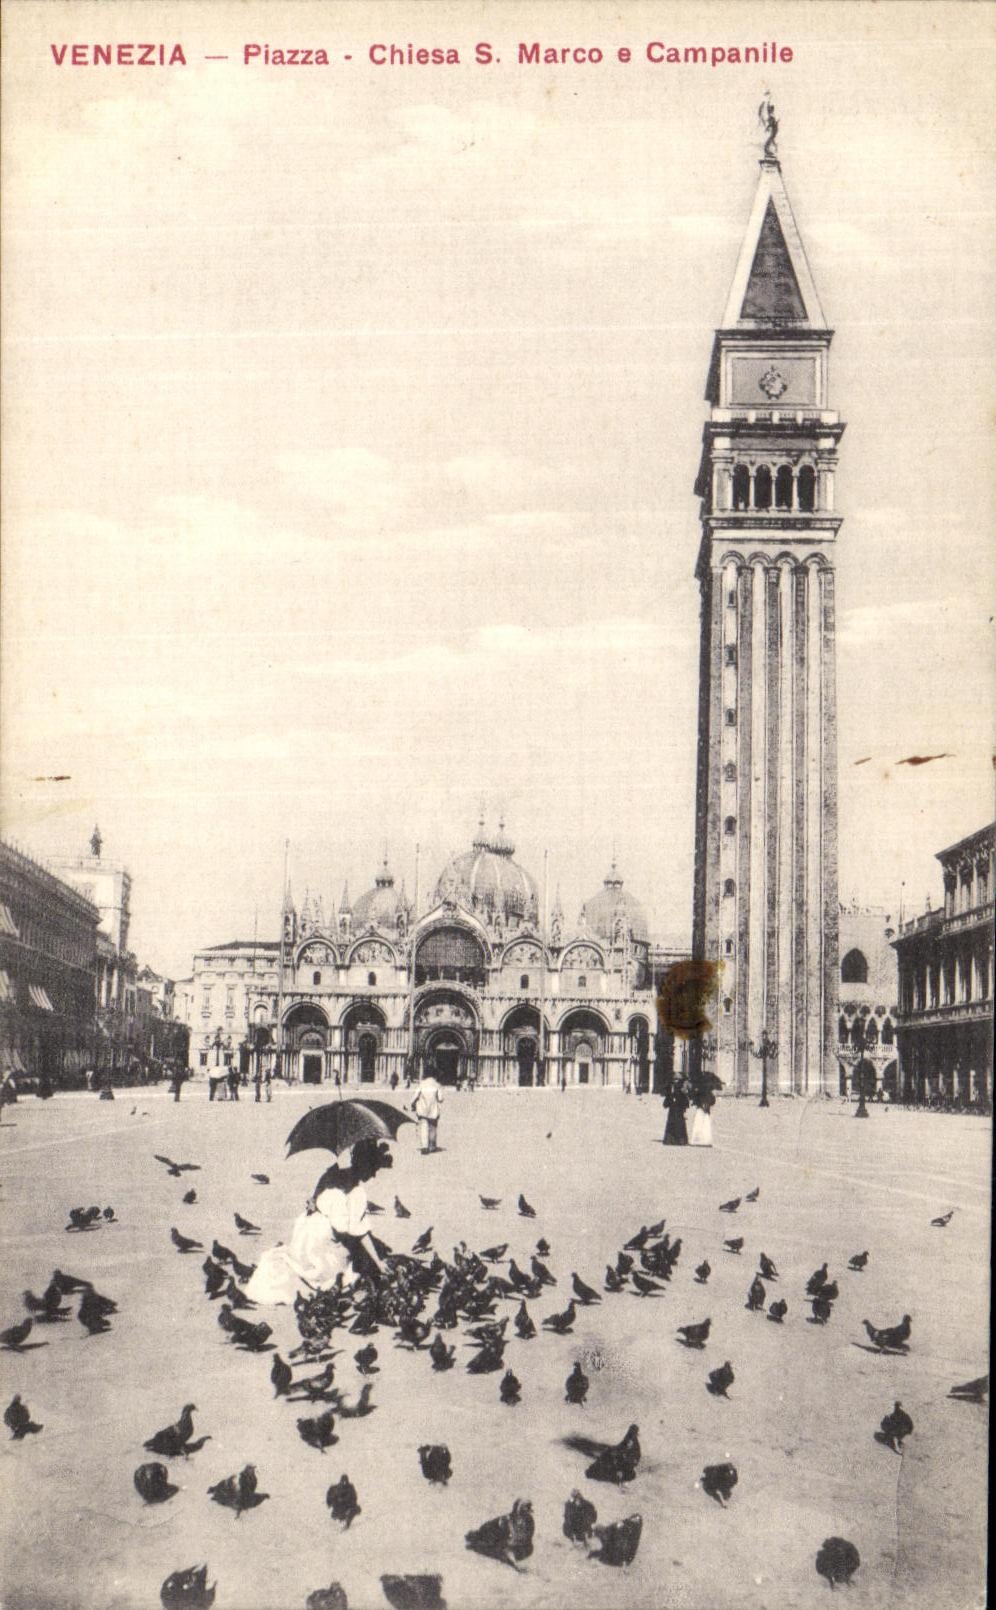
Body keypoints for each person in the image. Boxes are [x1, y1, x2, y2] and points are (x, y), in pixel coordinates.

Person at [245, 1137, 392, 1305]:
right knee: (345, 1269)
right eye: (374, 1169)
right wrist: (379, 1263)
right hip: (320, 1242)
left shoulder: (331, 1173)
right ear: (366, 1165)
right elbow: (360, 1233)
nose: (373, 1174)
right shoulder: (357, 1192)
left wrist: (315, 1204)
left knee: (296, 1263)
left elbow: (313, 1201)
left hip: (304, 1233)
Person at [412, 1068, 443, 1154]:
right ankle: (432, 1146)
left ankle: (424, 1147)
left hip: (422, 1109)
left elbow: (415, 1096)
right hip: (433, 1110)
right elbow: (440, 1099)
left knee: (423, 1127)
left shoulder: (422, 1084)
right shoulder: (437, 1085)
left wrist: (412, 1103)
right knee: (433, 1128)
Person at [662, 1075, 690, 1146]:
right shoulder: (672, 1087)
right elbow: (668, 1096)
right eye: (675, 1079)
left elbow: (684, 1099)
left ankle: (679, 1140)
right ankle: (672, 1140)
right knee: (673, 1124)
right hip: (673, 1109)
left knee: (679, 1125)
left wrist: (684, 1108)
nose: (675, 1081)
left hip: (678, 1109)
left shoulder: (681, 1088)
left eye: (677, 1080)